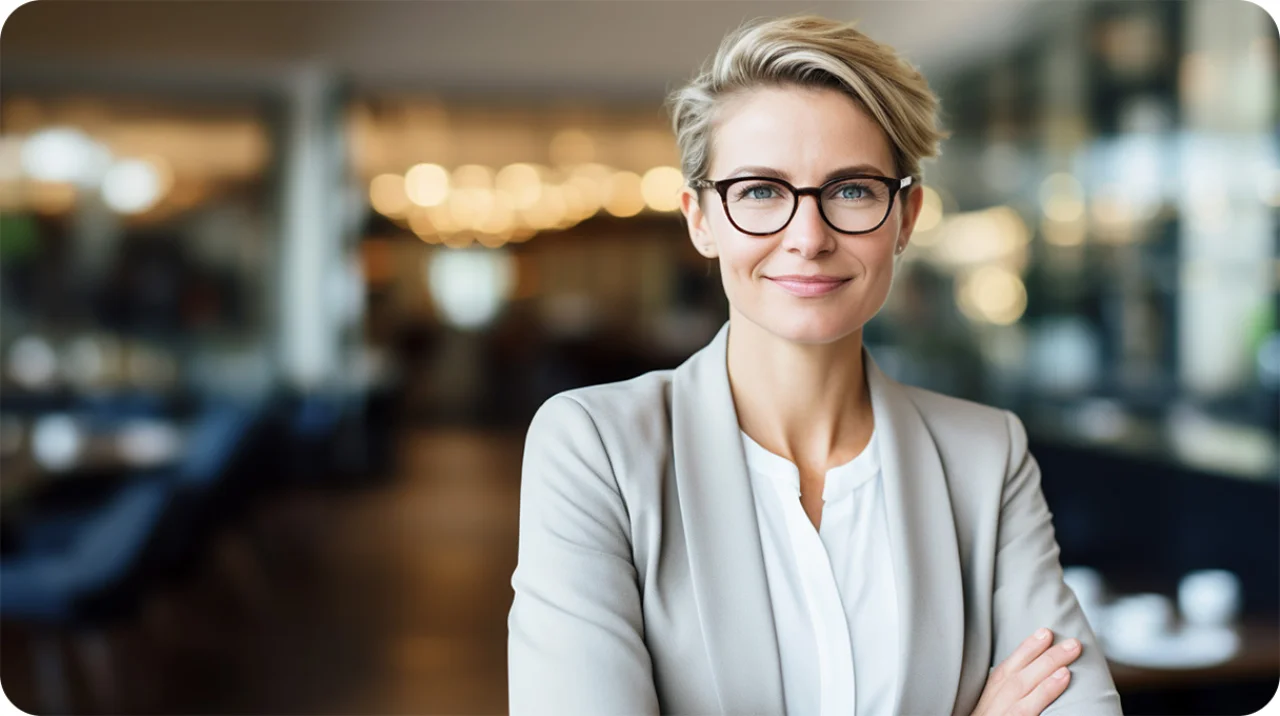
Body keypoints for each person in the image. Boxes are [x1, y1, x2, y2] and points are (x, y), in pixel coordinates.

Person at [508, 15, 1122, 716]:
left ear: (906, 217)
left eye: (852, 190)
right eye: (760, 191)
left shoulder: (986, 455)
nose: (808, 237)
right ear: (700, 219)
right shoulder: (594, 448)